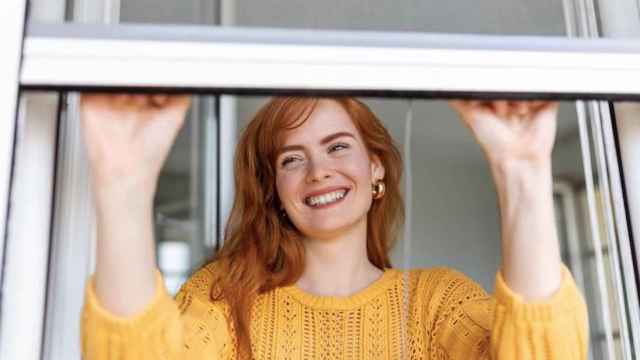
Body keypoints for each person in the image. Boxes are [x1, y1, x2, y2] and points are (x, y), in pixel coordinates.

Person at [79, 94, 588, 359]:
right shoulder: (223, 300)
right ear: (275, 190)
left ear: (376, 167)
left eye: (338, 146)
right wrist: (123, 182)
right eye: (291, 159)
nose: (318, 170)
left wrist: (523, 169)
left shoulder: (437, 303)